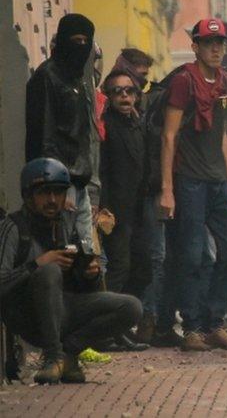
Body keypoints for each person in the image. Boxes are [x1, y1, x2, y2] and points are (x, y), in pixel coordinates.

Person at [0, 159, 141, 384]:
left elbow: (78, 288)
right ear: (29, 196)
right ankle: (53, 357)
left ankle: (68, 354)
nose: (52, 200)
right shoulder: (14, 227)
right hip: (27, 315)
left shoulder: (65, 224)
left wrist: (89, 274)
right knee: (49, 272)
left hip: (64, 310)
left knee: (131, 307)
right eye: (45, 194)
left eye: (58, 193)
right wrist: (37, 264)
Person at [158, 18, 227, 352]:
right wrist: (167, 188)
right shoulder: (184, 81)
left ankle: (215, 324)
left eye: (220, 43)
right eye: (208, 43)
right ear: (195, 46)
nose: (215, 49)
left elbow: (222, 134)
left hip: (218, 182)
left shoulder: (224, 80)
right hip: (190, 181)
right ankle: (192, 327)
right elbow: (168, 136)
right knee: (192, 256)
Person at [25, 13, 99, 247]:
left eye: (85, 41)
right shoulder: (47, 77)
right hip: (59, 185)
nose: (81, 48)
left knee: (87, 256)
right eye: (76, 41)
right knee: (62, 251)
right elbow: (44, 134)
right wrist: (56, 186)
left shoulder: (79, 80)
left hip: (80, 183)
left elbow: (85, 135)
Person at [97, 69, 151, 351]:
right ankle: (108, 331)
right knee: (119, 267)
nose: (124, 96)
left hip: (140, 209)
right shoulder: (105, 126)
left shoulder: (139, 123)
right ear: (109, 96)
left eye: (129, 91)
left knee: (142, 267)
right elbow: (102, 169)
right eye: (117, 91)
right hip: (115, 210)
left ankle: (121, 326)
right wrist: (103, 207)